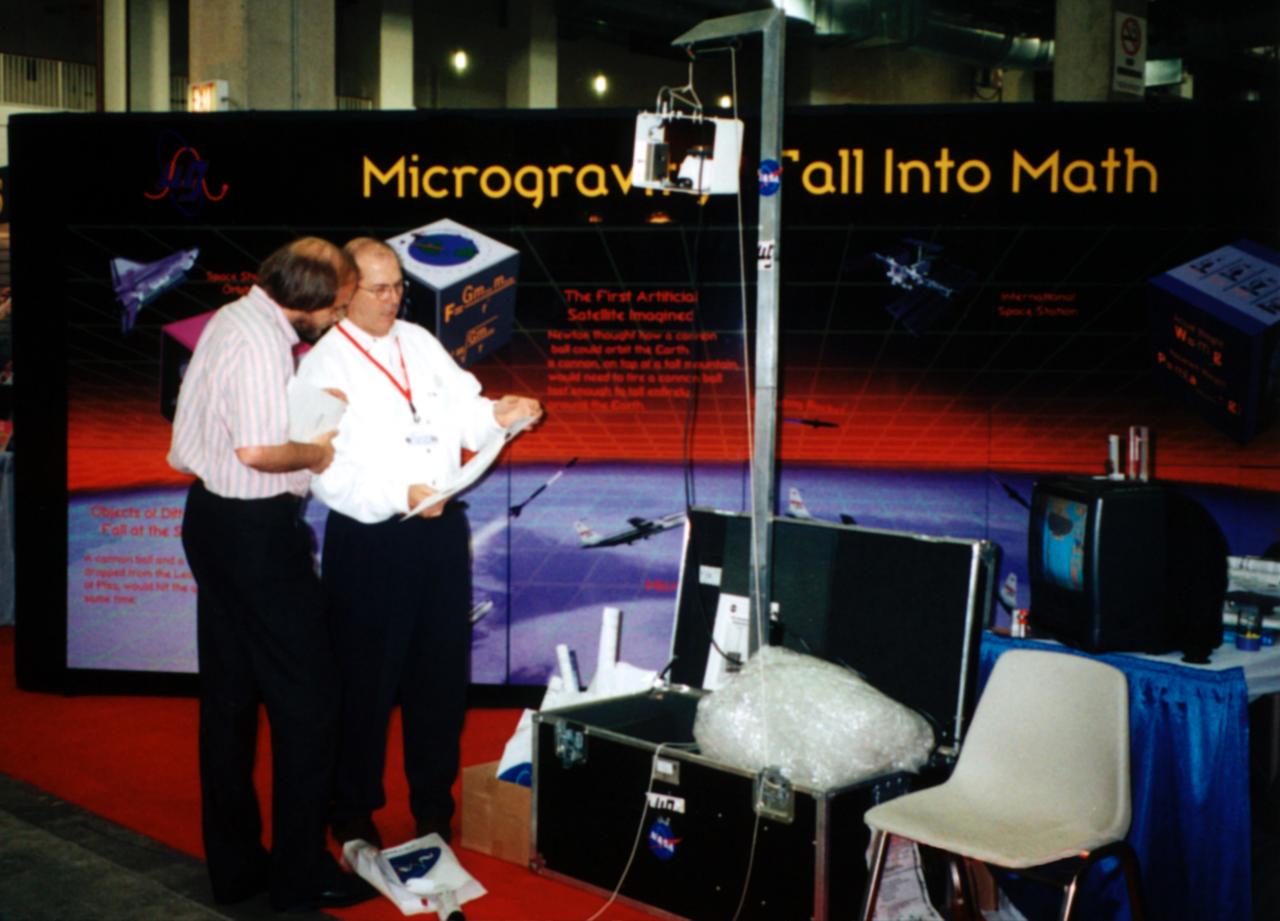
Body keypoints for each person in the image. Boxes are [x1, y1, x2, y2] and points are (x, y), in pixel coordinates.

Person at [297, 237, 541, 848]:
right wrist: (398, 493)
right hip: (372, 537)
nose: (393, 299)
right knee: (365, 685)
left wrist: (498, 415)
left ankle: (434, 806)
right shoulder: (322, 365)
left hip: (439, 533)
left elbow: (464, 412)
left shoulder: (420, 342)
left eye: (399, 286)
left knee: (439, 680)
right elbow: (324, 472)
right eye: (379, 289)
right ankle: (352, 809)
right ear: (346, 292)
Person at [168, 237, 375, 912]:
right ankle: (297, 873)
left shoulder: (235, 317)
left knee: (229, 701)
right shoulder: (261, 344)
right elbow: (259, 451)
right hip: (254, 535)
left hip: (212, 521)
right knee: (311, 703)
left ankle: (237, 869)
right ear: (310, 298)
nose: (340, 319)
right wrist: (318, 451)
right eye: (339, 306)